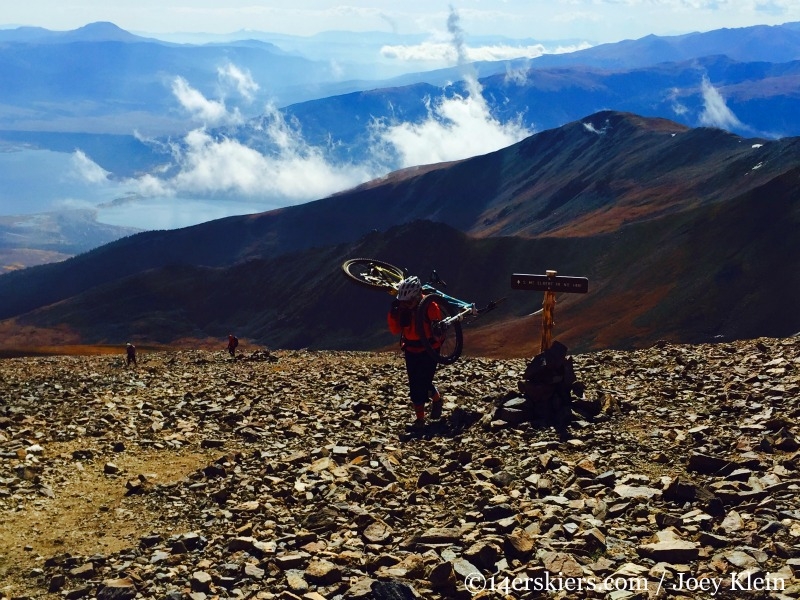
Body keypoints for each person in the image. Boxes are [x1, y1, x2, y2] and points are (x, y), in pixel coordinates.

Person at [388, 276, 444, 428]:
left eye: (409, 302)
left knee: (424, 382)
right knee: (415, 384)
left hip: (429, 349)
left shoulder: (430, 305)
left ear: (418, 296)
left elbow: (438, 330)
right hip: (411, 349)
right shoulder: (402, 308)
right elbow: (395, 330)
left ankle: (435, 402)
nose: (406, 305)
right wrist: (393, 314)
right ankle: (421, 417)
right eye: (403, 302)